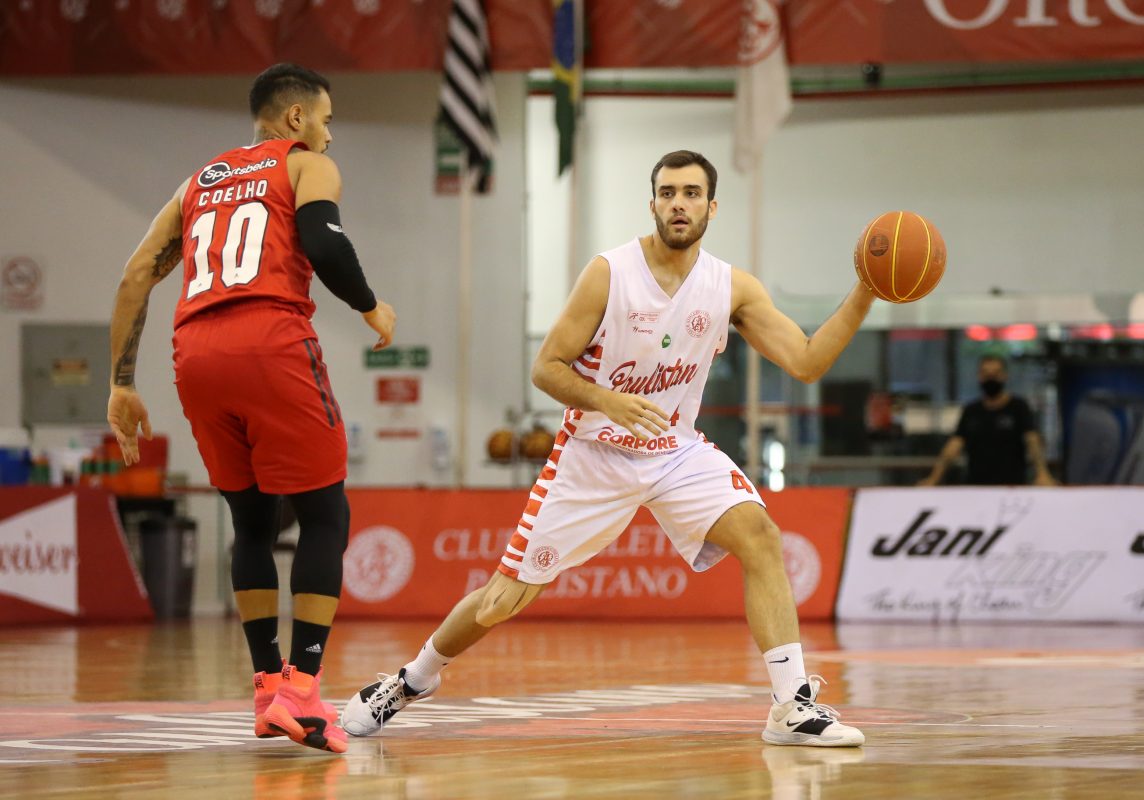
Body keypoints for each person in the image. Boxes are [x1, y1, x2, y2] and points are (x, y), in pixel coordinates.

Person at [342, 150, 870, 747]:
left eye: (691, 193)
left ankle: (791, 707)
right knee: (500, 601)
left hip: (674, 452)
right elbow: (546, 367)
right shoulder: (610, 273)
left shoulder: (731, 287)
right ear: (652, 204)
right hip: (593, 456)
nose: (679, 204)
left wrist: (865, 292)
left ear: (712, 207)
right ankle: (411, 680)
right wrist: (606, 400)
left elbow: (806, 362)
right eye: (668, 193)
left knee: (761, 535)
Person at [106, 63, 396, 754]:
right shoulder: (304, 165)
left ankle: (268, 689)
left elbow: (136, 273)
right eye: (325, 120)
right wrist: (370, 305)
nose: (329, 135)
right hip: (270, 342)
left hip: (195, 353)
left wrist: (120, 382)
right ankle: (304, 688)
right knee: (325, 514)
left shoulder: (197, 184)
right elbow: (324, 243)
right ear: (296, 118)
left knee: (252, 521)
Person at [919, 354, 1055, 486]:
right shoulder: (971, 411)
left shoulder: (1018, 407)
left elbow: (1032, 441)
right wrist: (934, 478)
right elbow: (954, 446)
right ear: (979, 376)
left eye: (995, 374)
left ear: (1004, 375)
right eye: (986, 374)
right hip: (976, 486)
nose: (990, 378)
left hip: (1011, 486)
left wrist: (1043, 474)